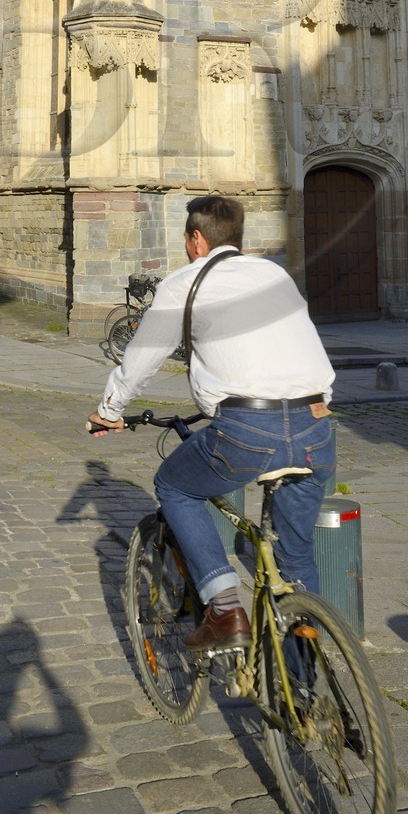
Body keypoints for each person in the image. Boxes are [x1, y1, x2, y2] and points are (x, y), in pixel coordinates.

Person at [88, 193, 336, 651]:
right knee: (296, 557)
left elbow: (141, 359)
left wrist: (110, 410)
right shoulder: (275, 274)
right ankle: (305, 690)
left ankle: (224, 609)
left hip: (247, 428)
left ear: (197, 239)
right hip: (315, 424)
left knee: (175, 486)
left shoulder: (186, 283)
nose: (186, 248)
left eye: (186, 240)